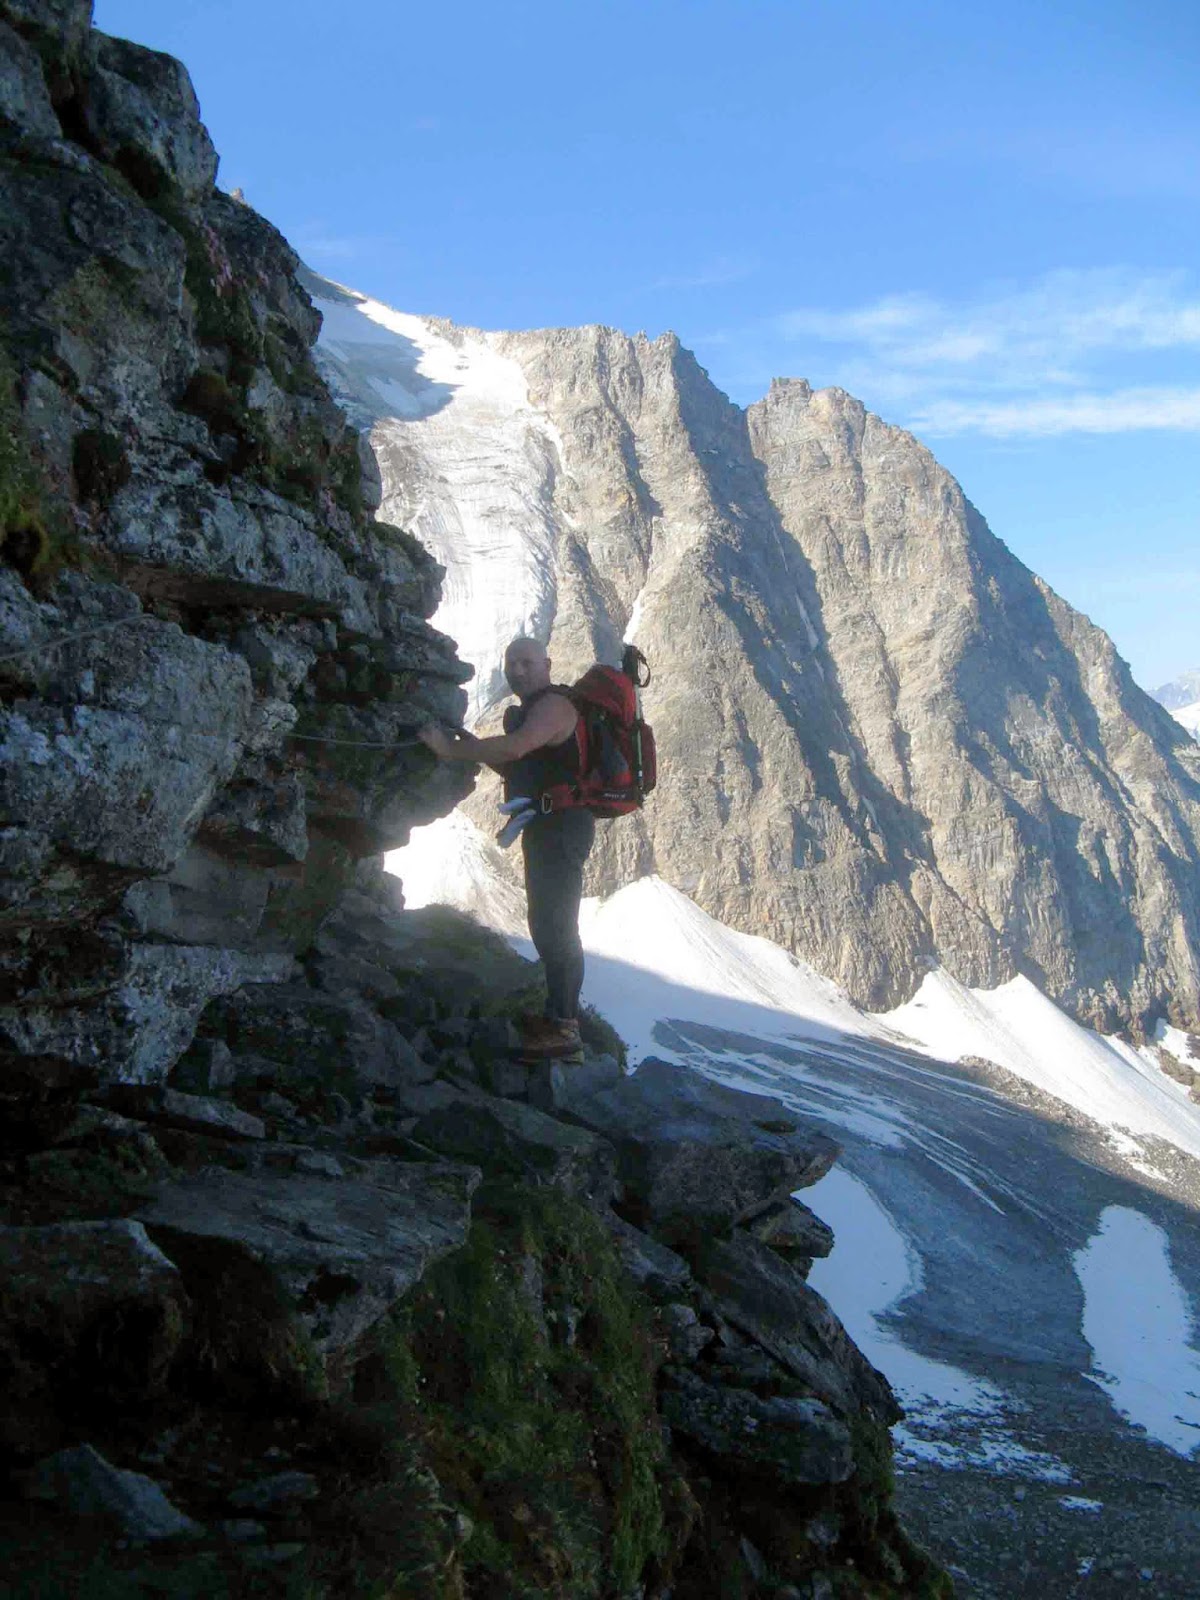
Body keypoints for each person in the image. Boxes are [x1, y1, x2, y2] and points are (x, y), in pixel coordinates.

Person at [418, 637, 594, 1061]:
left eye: (527, 663)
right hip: (550, 824)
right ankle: (557, 1018)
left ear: (547, 664)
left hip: (563, 827)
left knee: (556, 924)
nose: (517, 671)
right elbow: (524, 761)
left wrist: (452, 749)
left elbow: (516, 747)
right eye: (511, 663)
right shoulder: (538, 709)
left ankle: (566, 1031)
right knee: (546, 920)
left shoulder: (553, 706)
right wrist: (474, 745)